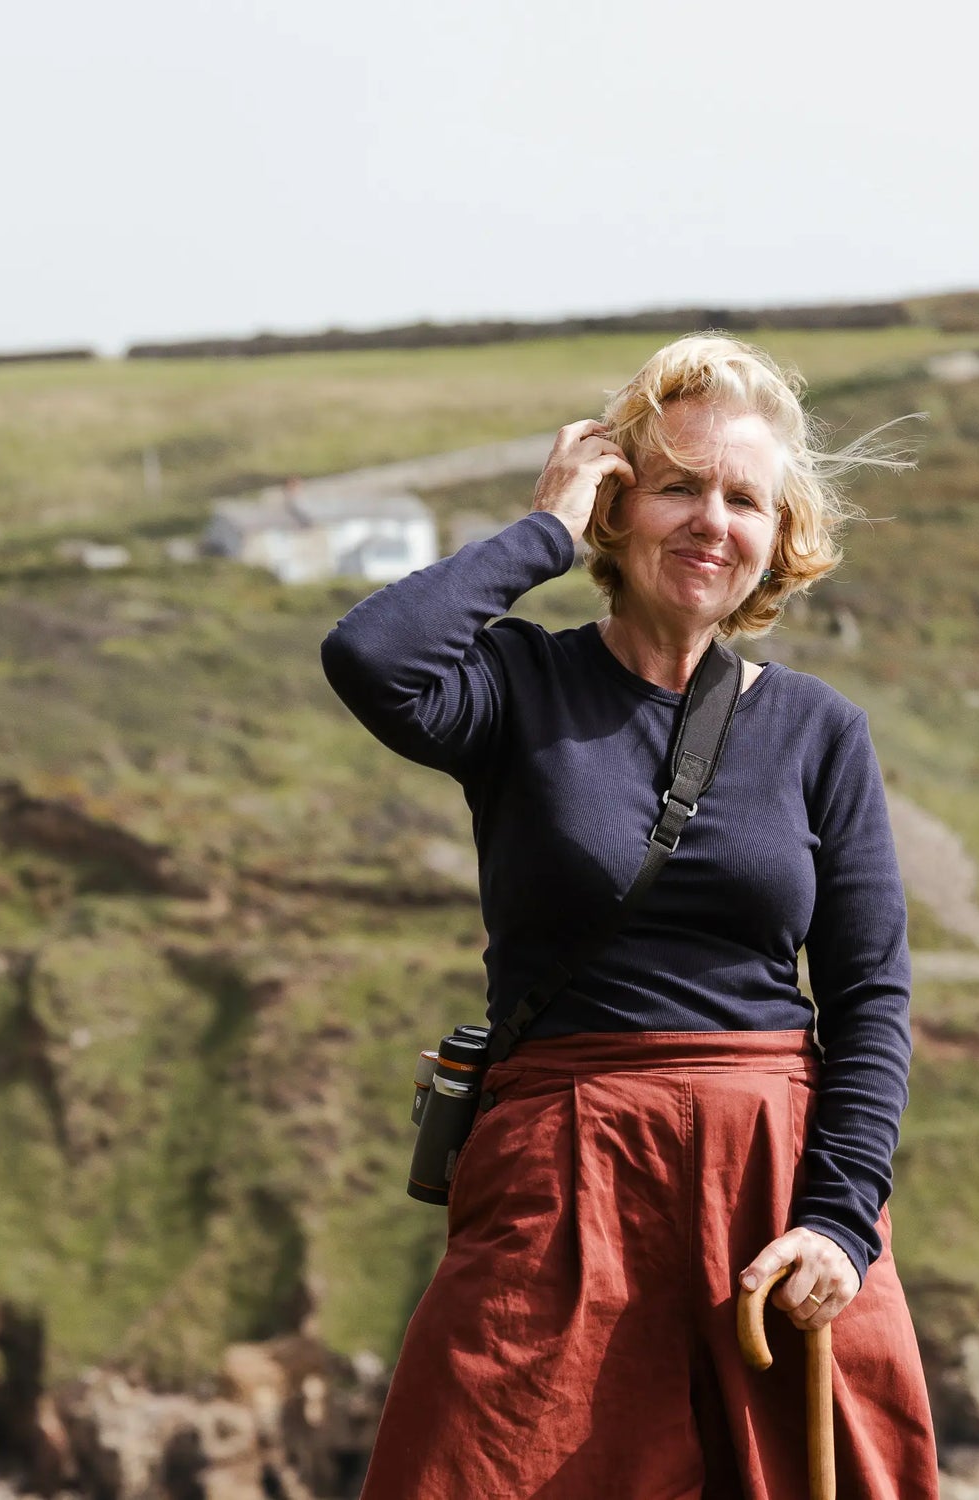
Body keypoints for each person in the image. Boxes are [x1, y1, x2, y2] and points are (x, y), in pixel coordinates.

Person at [321, 333, 938, 1498]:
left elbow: (868, 997)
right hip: (560, 1174)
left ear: (779, 535)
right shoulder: (514, 690)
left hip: (773, 1186)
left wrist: (842, 1226)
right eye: (677, 486)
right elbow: (371, 655)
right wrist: (543, 530)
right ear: (617, 504)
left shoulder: (819, 731)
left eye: (744, 498)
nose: (713, 521)